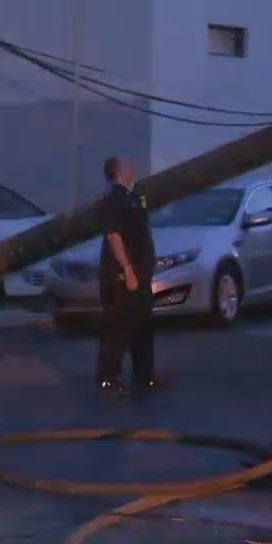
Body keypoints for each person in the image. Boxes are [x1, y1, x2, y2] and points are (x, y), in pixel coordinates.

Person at [97, 155, 160, 396]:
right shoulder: (114, 200)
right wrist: (127, 269)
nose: (133, 166)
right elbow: (114, 235)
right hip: (123, 274)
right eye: (127, 164)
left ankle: (144, 375)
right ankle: (108, 378)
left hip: (141, 272)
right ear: (117, 171)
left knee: (143, 325)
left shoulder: (134, 197)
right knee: (118, 326)